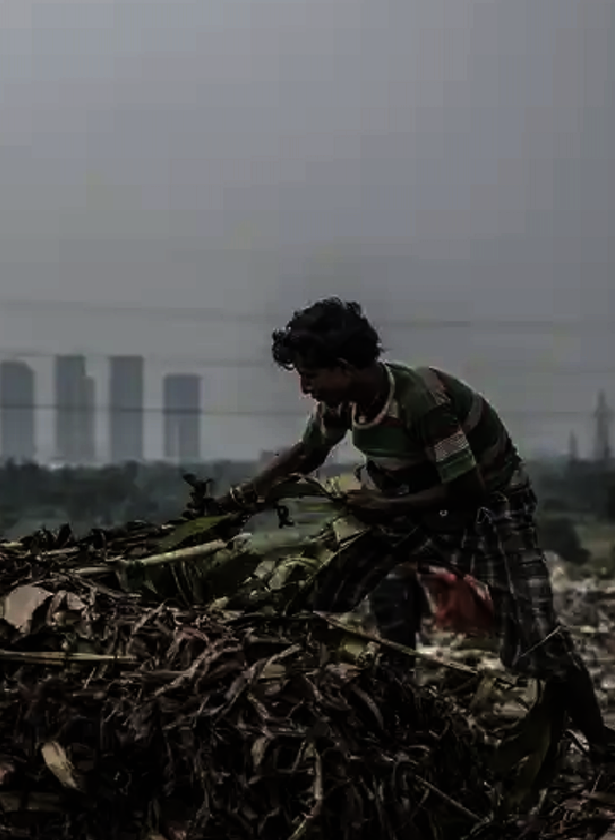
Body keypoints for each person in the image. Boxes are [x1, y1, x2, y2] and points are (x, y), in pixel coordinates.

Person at [222, 297, 613, 756]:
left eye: (310, 376)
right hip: (404, 499)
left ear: (344, 367)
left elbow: (467, 489)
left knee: (537, 633)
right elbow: (308, 453)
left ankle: (601, 743)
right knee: (319, 581)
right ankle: (392, 698)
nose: (306, 388)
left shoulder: (420, 402)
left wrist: (385, 507)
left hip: (490, 509)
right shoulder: (346, 403)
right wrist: (239, 501)